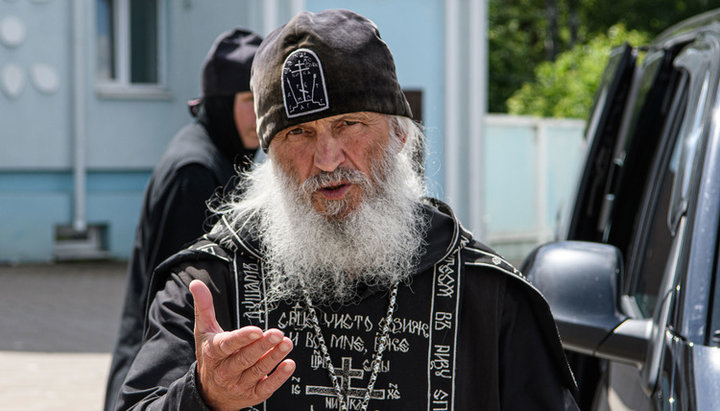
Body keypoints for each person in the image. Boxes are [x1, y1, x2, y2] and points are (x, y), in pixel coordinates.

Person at [117, 9, 579, 410]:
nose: (327, 159)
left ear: (400, 134)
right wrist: (203, 396)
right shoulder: (208, 285)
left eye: (348, 124)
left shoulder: (488, 296)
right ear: (270, 154)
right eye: (299, 134)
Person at [104, 28, 263, 411]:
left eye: (265, 102)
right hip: (163, 379)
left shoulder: (219, 157)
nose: (259, 116)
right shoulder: (195, 171)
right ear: (221, 105)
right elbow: (183, 299)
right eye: (248, 100)